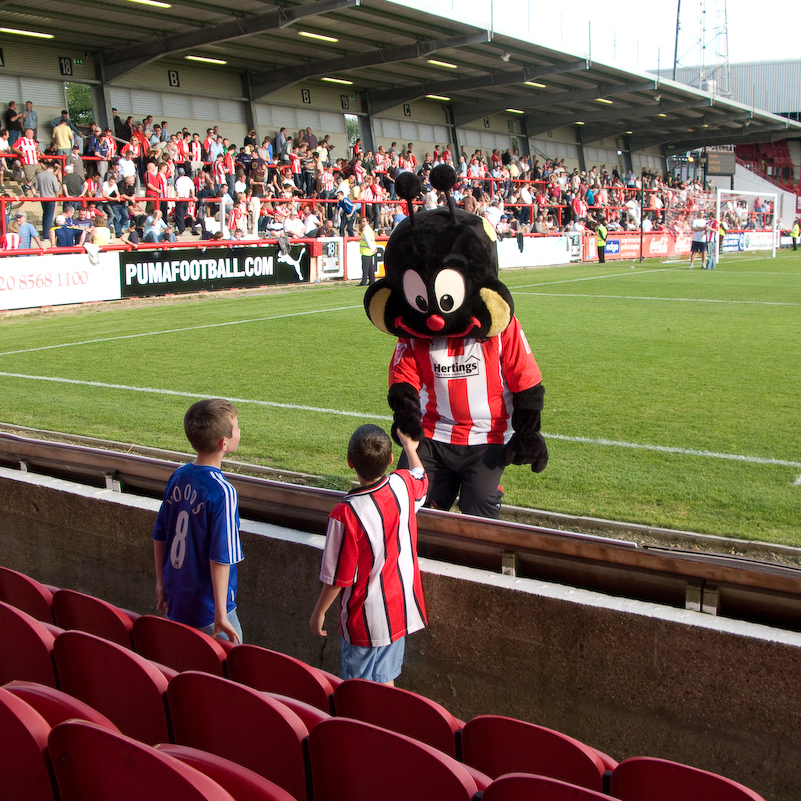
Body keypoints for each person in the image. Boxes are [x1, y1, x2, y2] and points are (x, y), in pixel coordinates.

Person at [310, 424, 427, 685]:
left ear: (350, 463)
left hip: (364, 619)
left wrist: (318, 612)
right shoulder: (403, 484)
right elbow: (420, 476)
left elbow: (338, 578)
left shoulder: (345, 514)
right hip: (399, 609)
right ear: (390, 460)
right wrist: (410, 447)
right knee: (386, 681)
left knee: (358, 689)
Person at [152, 398, 244, 643]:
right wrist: (221, 613)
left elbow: (159, 533)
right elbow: (221, 557)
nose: (239, 432)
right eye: (236, 428)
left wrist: (161, 583)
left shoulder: (179, 476)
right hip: (210, 612)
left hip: (176, 600)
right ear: (224, 443)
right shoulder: (222, 491)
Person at [358, 218, 377, 286]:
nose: (362, 223)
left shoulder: (366, 231)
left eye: (364, 221)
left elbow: (368, 241)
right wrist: (374, 248)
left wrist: (372, 248)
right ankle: (372, 281)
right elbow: (372, 240)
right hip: (370, 252)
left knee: (365, 268)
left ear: (367, 222)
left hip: (366, 251)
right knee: (370, 268)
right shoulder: (370, 230)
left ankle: (364, 282)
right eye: (362, 221)